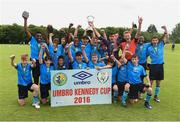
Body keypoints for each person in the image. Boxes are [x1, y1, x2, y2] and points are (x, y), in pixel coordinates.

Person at [23, 14, 48, 85]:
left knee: (43, 75)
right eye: (37, 36)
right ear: (35, 36)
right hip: (34, 61)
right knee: (36, 77)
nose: (39, 37)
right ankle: (36, 92)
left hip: (41, 61)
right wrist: (25, 20)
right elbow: (25, 30)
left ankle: (44, 90)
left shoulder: (43, 43)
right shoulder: (32, 40)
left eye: (40, 36)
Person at [147, 26, 168, 102]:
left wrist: (165, 29)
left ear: (158, 41)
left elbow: (166, 37)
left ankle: (155, 96)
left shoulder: (161, 45)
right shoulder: (149, 48)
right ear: (151, 41)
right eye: (153, 40)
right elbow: (145, 56)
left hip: (160, 66)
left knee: (158, 82)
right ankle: (148, 95)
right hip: (153, 66)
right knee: (151, 82)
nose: (155, 41)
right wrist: (146, 63)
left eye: (156, 40)